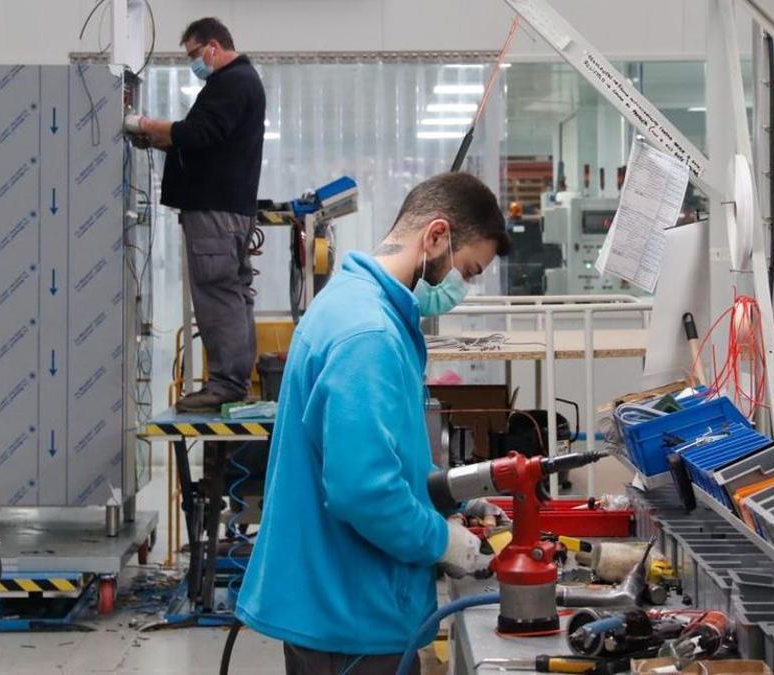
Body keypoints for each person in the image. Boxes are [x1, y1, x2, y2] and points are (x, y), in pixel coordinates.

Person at [237, 173, 512, 674]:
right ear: (435, 237)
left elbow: (389, 452)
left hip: (336, 601)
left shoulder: (356, 301)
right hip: (350, 612)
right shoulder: (369, 334)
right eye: (467, 271)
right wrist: (443, 541)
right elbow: (364, 491)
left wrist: (453, 491)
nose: (462, 288)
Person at [124, 17, 266, 412]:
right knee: (232, 295)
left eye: (193, 55)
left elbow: (198, 134)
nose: (194, 64)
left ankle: (226, 383)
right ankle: (233, 379)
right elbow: (206, 142)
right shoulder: (239, 83)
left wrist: (147, 124)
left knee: (217, 294)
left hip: (215, 213)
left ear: (213, 47)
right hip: (228, 210)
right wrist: (159, 139)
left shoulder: (231, 83)